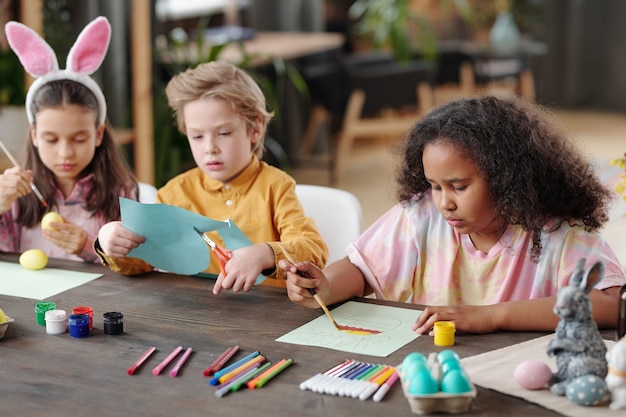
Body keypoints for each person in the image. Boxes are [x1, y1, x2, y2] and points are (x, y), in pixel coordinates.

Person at [282, 95, 626, 334]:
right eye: (434, 185)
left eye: (459, 186)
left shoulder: (556, 232)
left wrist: (492, 316)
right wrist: (324, 286)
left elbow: (611, 303)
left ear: (507, 179)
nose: (444, 202)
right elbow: (360, 269)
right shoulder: (422, 216)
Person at [95, 61, 327, 293]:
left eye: (224, 133)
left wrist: (265, 253)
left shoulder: (276, 186)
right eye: (197, 137)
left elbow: (313, 249)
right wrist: (108, 241)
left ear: (255, 129)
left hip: (266, 316)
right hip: (195, 314)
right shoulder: (175, 193)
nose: (210, 148)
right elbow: (142, 262)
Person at [0, 17, 137, 263]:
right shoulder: (17, 196)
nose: (65, 153)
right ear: (34, 135)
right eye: (51, 140)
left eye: (79, 138)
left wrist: (89, 246)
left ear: (98, 134)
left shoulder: (122, 194)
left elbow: (138, 266)